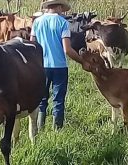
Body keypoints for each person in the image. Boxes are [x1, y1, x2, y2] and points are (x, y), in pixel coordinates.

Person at [30, 0, 83, 130]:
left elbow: (32, 45)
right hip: (59, 66)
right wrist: (82, 61)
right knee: (58, 99)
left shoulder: (37, 22)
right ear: (59, 7)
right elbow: (67, 49)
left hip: (41, 66)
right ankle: (57, 131)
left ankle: (39, 128)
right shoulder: (63, 23)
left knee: (41, 99)